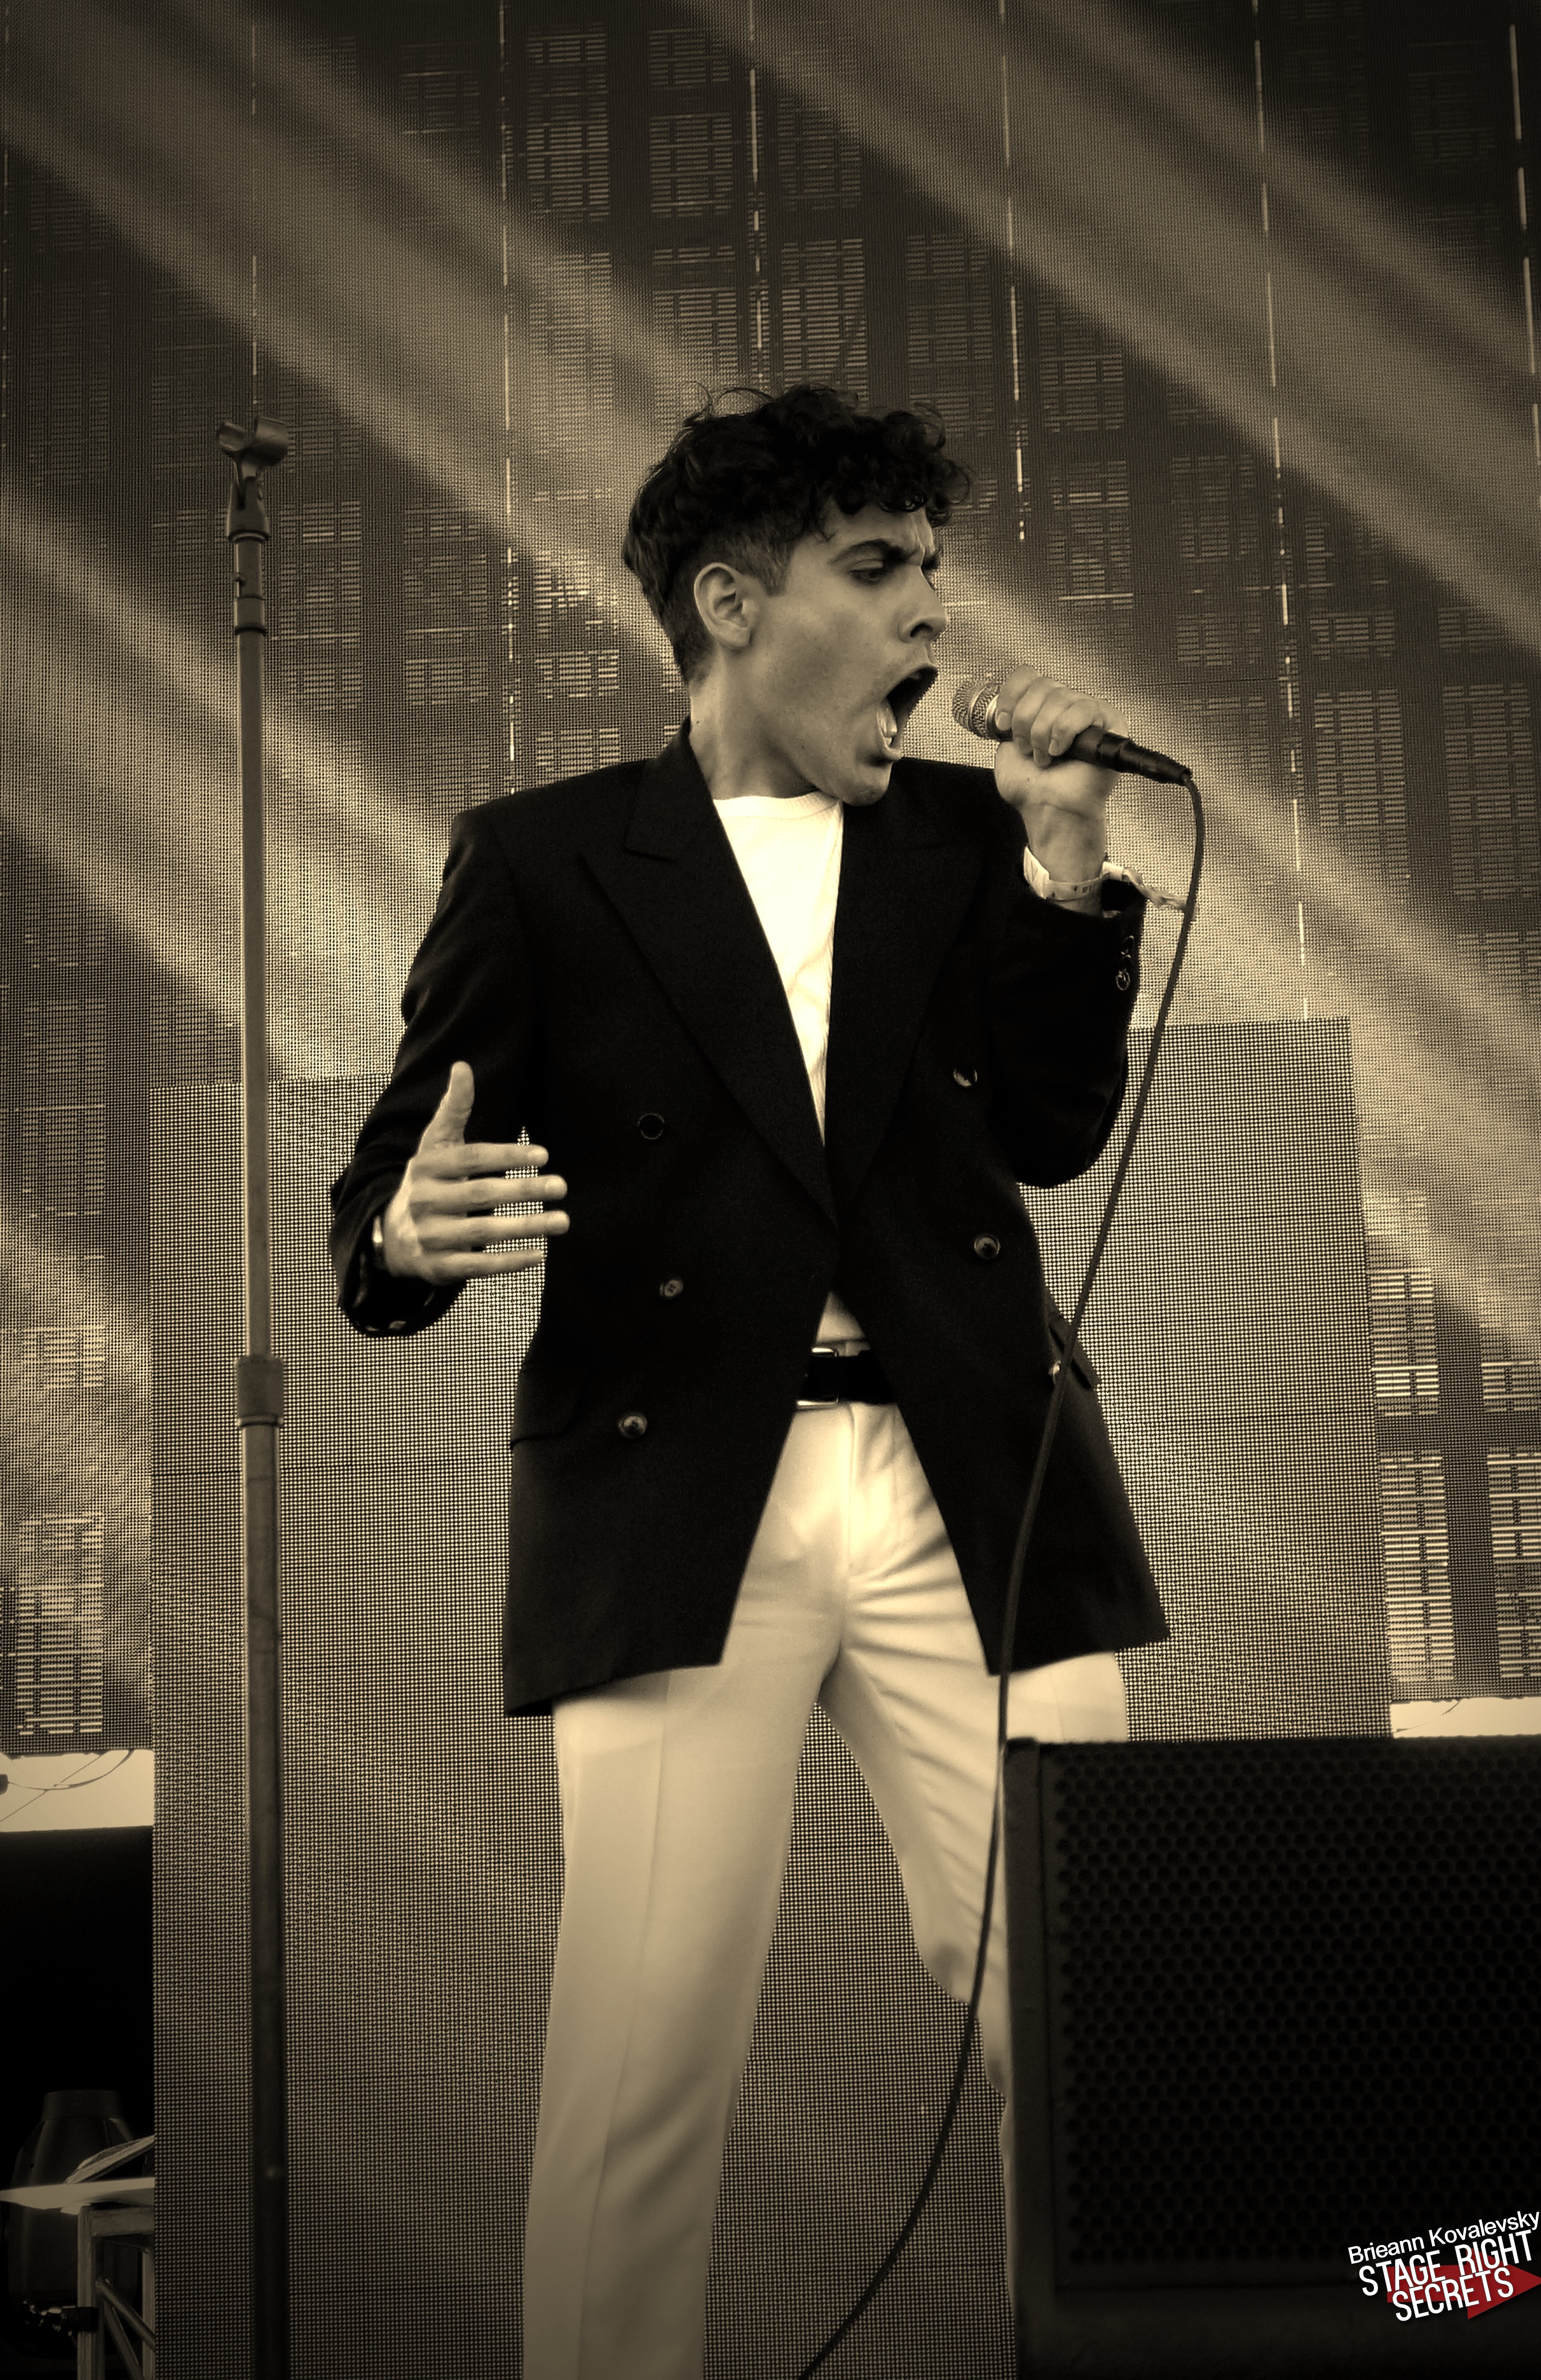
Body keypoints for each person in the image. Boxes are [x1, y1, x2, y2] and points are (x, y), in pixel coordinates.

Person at [328, 383, 1168, 2380]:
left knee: (1112, 2013)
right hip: (680, 1488)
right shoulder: (541, 861)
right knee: (642, 2059)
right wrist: (405, 1227)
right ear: (727, 603)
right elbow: (389, 1194)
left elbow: (1048, 1133)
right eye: (875, 569)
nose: (927, 615)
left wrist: (1067, 865)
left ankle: (1289, 2327)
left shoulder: (965, 837)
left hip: (972, 1480)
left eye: (933, 572)